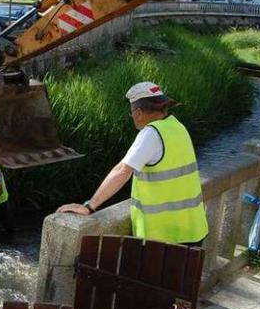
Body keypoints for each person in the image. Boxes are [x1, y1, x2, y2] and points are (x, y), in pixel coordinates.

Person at [57, 82, 209, 247]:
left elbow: (123, 171)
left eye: (132, 113)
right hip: (193, 229)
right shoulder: (178, 127)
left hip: (164, 238)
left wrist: (89, 206)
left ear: (138, 112)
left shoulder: (151, 134)